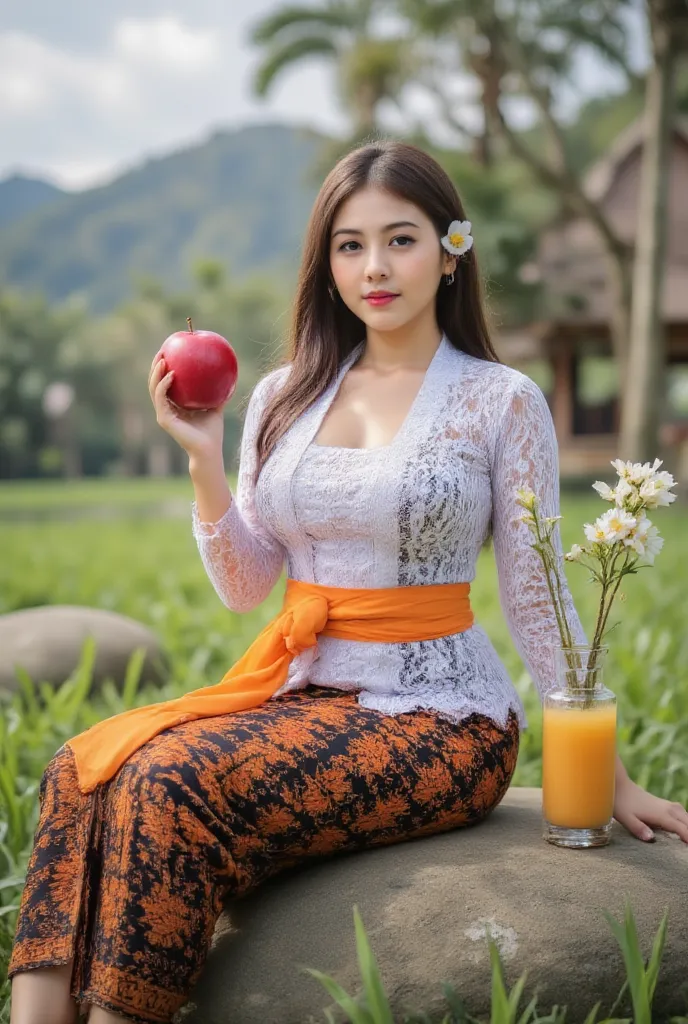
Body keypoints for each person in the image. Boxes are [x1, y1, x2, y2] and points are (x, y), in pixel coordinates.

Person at [9, 140, 688, 1024]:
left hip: (442, 722)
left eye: (401, 240)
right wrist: (204, 459)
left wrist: (608, 772)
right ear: (326, 264)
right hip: (306, 695)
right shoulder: (286, 392)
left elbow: (536, 596)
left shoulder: (500, 400)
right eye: (350, 244)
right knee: (81, 770)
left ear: (451, 251)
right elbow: (248, 583)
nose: (374, 267)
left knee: (170, 783)